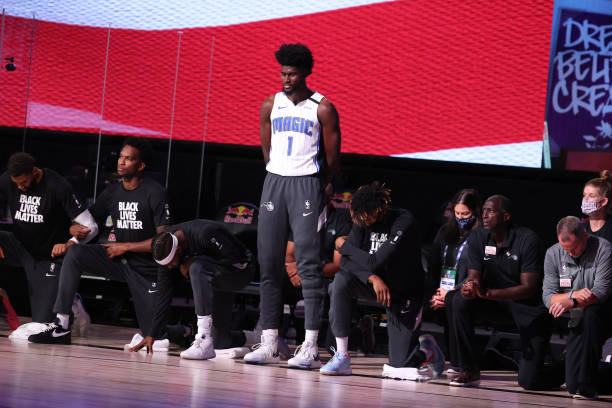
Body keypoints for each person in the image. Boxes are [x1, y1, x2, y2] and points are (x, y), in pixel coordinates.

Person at [244, 43, 341, 369]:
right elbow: (266, 146)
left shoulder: (322, 108)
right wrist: (278, 170)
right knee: (269, 262)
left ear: (305, 73)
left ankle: (310, 345)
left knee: (309, 265)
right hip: (275, 182)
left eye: (292, 73)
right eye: (283, 73)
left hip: (307, 185)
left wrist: (316, 183)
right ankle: (270, 340)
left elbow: (332, 158)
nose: (286, 78)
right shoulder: (270, 104)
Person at [29, 137, 172, 344]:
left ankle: (182, 331)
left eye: (128, 159)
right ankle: (62, 324)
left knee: (156, 336)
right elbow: (89, 223)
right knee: (75, 254)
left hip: (145, 268)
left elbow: (164, 242)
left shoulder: (155, 192)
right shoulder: (113, 190)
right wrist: (72, 233)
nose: (121, 162)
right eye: (121, 157)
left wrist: (125, 246)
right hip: (118, 261)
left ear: (140, 165)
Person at [320, 182, 445, 380]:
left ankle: (426, 350)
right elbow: (345, 263)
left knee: (398, 366)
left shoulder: (404, 221)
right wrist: (372, 278)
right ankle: (342, 355)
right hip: (375, 284)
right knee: (340, 281)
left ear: (379, 210)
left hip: (404, 290)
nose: (361, 221)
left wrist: (344, 246)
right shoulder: (362, 219)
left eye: (365, 217)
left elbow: (374, 260)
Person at [448, 195, 561, 389]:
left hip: (528, 308)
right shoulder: (478, 236)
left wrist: (487, 294)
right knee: (456, 299)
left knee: (529, 381)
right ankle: (469, 368)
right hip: (496, 304)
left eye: (490, 211)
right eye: (483, 210)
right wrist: (470, 287)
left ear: (506, 216)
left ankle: (567, 368)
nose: (484, 215)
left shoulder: (527, 240)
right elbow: (474, 275)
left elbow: (528, 289)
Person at [129, 219, 255, 358]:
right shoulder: (165, 243)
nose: (170, 267)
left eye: (171, 263)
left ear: (178, 250)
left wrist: (196, 260)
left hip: (241, 271)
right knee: (220, 342)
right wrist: (152, 334)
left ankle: (203, 338)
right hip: (213, 279)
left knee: (197, 268)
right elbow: (163, 294)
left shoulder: (204, 234)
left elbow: (235, 260)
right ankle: (255, 337)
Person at [0, 152, 98, 323]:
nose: (20, 188)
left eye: (23, 183)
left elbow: (92, 226)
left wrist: (69, 244)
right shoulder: (7, 180)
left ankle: (72, 303)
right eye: (16, 184)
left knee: (43, 324)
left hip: (48, 255)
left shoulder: (57, 185)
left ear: (34, 172)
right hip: (18, 246)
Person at [543, 216, 612, 400]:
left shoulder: (603, 248)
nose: (570, 253)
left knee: (591, 312)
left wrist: (570, 302)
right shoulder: (553, 253)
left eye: (574, 248)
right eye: (566, 249)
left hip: (604, 311)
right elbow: (548, 297)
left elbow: (601, 292)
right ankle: (594, 377)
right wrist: (573, 296)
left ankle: (589, 384)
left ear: (585, 237)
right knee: (573, 385)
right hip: (578, 316)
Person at [428, 189, 482, 373]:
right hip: (443, 288)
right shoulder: (445, 231)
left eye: (465, 214)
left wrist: (451, 292)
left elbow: (479, 271)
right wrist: (436, 292)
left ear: (475, 211)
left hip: (466, 290)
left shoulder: (481, 234)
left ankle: (461, 362)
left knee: (457, 302)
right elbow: (434, 263)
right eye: (457, 213)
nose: (460, 217)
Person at [581, 170, 612, 243]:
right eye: (584, 195)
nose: (585, 199)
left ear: (604, 201)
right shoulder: (580, 229)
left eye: (591, 195)